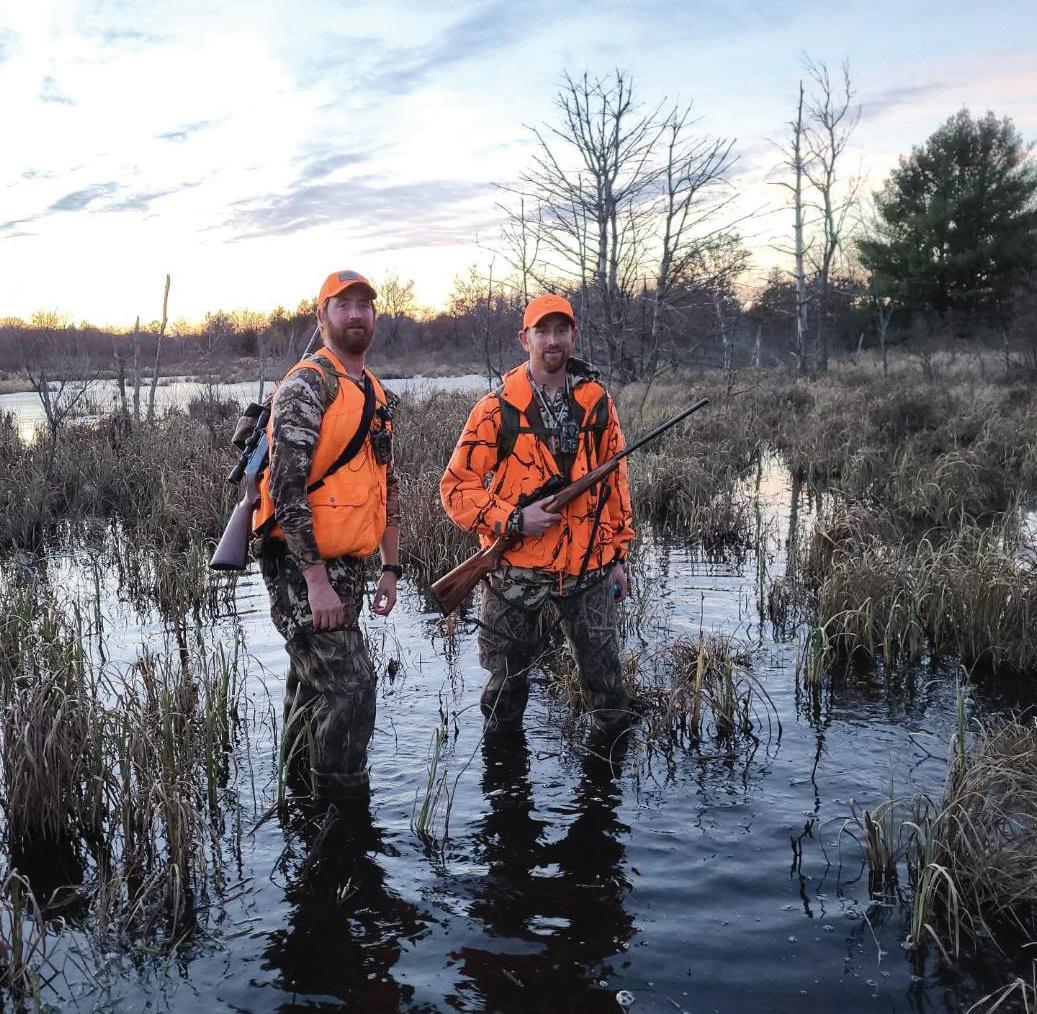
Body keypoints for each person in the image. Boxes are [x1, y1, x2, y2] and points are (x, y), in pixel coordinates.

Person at [440, 293, 634, 735]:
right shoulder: (496, 409)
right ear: (523, 338)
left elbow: (615, 483)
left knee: (608, 692)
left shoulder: (597, 403)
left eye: (561, 330)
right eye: (541, 331)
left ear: (574, 336)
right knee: (504, 693)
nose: (552, 340)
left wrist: (618, 556)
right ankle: (503, 774)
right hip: (515, 570)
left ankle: (606, 775)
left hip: (588, 567)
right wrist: (514, 519)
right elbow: (456, 489)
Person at [253, 269, 402, 802]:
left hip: (351, 567)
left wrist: (390, 567)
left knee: (312, 687)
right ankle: (343, 816)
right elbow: (286, 491)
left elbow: (386, 485)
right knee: (352, 690)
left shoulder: (376, 393)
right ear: (323, 317)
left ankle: (297, 800)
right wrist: (316, 583)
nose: (356, 314)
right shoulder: (307, 385)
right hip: (302, 566)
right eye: (343, 305)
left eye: (365, 304)